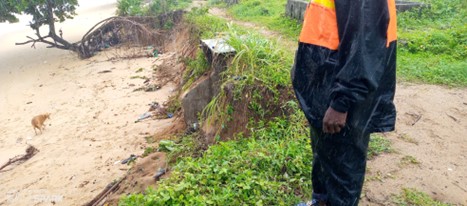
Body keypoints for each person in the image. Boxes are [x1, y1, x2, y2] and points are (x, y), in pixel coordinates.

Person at [291, 0, 397, 205]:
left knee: (342, 170)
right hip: (327, 87)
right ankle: (320, 201)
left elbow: (365, 41)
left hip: (342, 95)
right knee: (324, 155)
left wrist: (342, 101)